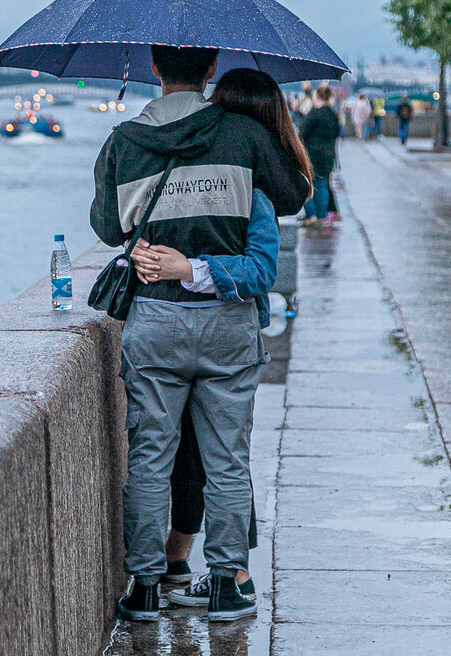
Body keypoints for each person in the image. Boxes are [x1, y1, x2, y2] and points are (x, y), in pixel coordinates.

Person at [91, 47, 309, 623]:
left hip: (156, 319)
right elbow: (290, 195)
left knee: (149, 458)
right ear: (211, 70)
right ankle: (228, 583)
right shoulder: (240, 132)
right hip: (228, 323)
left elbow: (108, 226)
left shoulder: (124, 140)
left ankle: (144, 586)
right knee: (228, 459)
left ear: (155, 70)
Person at [299, 85, 340, 227]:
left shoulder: (314, 114)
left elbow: (302, 133)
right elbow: (336, 133)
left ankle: (311, 215)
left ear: (317, 97)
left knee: (307, 186)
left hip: (312, 155)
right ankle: (322, 217)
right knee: (322, 185)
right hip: (328, 155)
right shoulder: (332, 115)